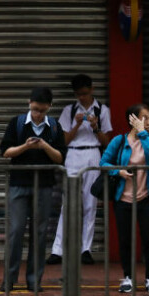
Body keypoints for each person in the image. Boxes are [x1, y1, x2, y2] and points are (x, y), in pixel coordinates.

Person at [0, 87, 67, 293]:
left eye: (43, 111)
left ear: (49, 108)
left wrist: (45, 146)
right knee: (16, 231)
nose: (38, 114)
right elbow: (6, 152)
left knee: (39, 234)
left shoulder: (54, 127)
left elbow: (60, 157)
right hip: (19, 184)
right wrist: (25, 147)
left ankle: (34, 280)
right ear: (29, 103)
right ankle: (9, 279)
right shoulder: (17, 123)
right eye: (36, 109)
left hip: (44, 185)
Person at [48, 74, 112, 266]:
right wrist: (76, 124)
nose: (82, 98)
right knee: (67, 204)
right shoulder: (69, 110)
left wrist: (95, 127)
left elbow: (107, 142)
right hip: (73, 155)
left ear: (91, 89)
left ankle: (86, 248)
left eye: (84, 93)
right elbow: (64, 141)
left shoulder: (102, 110)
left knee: (90, 204)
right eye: (78, 95)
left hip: (93, 154)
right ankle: (57, 249)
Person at [101, 104, 149, 293]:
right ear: (132, 120)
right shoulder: (119, 141)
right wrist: (118, 171)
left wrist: (143, 134)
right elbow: (103, 162)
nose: (148, 122)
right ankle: (127, 276)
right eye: (144, 118)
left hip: (146, 197)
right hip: (123, 199)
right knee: (125, 240)